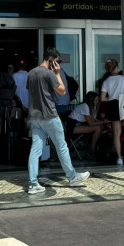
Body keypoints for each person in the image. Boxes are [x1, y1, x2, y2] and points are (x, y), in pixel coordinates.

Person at [26, 48, 91, 194]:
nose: (59, 64)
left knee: (35, 150)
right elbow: (62, 91)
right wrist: (57, 73)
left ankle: (32, 183)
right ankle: (72, 176)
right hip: (49, 115)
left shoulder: (31, 73)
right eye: (58, 61)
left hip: (35, 117)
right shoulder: (49, 73)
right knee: (61, 146)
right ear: (52, 59)